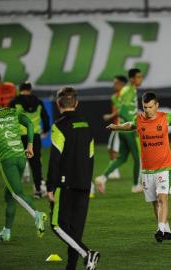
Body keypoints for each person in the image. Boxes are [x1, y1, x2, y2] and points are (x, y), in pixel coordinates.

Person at [107, 92, 171, 242]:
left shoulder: (165, 117)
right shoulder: (139, 119)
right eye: (145, 107)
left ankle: (160, 229)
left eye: (150, 107)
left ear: (156, 105)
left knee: (162, 198)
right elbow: (130, 125)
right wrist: (116, 127)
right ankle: (167, 230)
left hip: (164, 166)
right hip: (147, 170)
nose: (148, 110)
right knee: (155, 203)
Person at [0, 92, 47, 241]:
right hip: (20, 156)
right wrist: (29, 145)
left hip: (6, 158)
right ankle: (6, 231)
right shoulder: (11, 110)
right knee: (8, 196)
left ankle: (37, 214)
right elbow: (29, 123)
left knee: (16, 193)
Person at [47, 87, 100, 270]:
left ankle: (87, 253)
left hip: (65, 184)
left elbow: (55, 158)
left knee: (57, 225)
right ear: (76, 103)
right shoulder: (87, 124)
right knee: (75, 230)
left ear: (58, 103)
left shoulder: (59, 125)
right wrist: (87, 181)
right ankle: (71, 267)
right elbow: (91, 156)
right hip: (84, 184)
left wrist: (50, 187)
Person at [95, 68, 143, 193]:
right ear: (132, 79)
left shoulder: (126, 90)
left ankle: (103, 177)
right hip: (129, 130)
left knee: (122, 158)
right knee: (138, 158)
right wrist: (133, 125)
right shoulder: (129, 91)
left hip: (122, 129)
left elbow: (124, 108)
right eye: (138, 77)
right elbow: (122, 110)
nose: (140, 79)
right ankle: (135, 185)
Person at [9, 82, 50, 198]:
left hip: (18, 137)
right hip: (34, 137)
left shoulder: (14, 103)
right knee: (36, 164)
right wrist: (45, 131)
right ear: (30, 90)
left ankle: (15, 192)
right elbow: (46, 119)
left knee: (16, 164)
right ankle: (38, 190)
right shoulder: (38, 102)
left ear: (19, 89)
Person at [102, 75, 128, 180]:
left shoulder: (124, 95)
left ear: (121, 84)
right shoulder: (117, 95)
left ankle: (114, 171)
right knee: (111, 148)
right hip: (118, 125)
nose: (114, 85)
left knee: (114, 149)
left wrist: (110, 116)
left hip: (121, 126)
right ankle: (114, 170)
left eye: (116, 83)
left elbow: (122, 109)